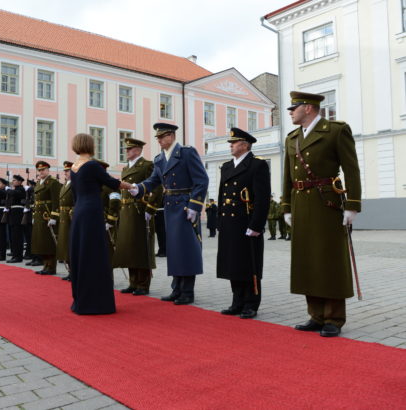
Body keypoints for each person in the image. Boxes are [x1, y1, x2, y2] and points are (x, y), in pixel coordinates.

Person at [283, 91, 361, 337]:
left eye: (293, 108)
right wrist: (286, 207)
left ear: (308, 108)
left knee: (330, 260)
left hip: (326, 203)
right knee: (307, 260)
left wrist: (352, 205)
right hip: (301, 204)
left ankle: (334, 318)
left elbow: (351, 169)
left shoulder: (336, 130)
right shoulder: (292, 137)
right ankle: (315, 315)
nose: (290, 112)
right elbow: (287, 175)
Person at [130, 123, 209, 305]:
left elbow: (202, 180)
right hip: (169, 206)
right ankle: (177, 289)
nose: (158, 140)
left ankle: (187, 291)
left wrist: (195, 205)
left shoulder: (187, 153)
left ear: (171, 136)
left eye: (161, 137)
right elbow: (154, 180)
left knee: (187, 249)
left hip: (184, 205)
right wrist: (139, 188)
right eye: (157, 137)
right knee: (174, 249)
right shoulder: (159, 159)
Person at [69, 133, 132, 314]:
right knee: (94, 255)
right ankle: (96, 302)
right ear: (90, 145)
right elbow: (113, 183)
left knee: (81, 253)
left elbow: (74, 194)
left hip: (79, 211)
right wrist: (133, 186)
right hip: (91, 212)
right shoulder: (92, 165)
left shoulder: (74, 167)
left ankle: (80, 300)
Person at [216, 128, 271, 319]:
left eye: (234, 142)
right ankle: (237, 301)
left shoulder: (257, 165)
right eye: (230, 142)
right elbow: (221, 195)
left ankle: (251, 303)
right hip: (229, 223)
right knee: (233, 263)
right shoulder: (226, 166)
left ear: (245, 145)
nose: (230, 145)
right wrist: (219, 220)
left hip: (246, 222)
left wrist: (256, 225)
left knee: (249, 263)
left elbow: (262, 199)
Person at [113, 138, 161, 296]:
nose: (126, 151)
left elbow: (157, 187)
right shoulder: (125, 168)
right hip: (126, 211)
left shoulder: (147, 165)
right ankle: (133, 282)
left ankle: (143, 284)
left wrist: (151, 208)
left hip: (140, 211)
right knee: (129, 247)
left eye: (129, 149)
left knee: (141, 248)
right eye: (126, 149)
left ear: (138, 150)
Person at [32, 161, 62, 275]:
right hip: (40, 216)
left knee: (49, 242)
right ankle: (45, 265)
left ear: (48, 170)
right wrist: (34, 215)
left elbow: (56, 201)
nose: (41, 172)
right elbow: (36, 201)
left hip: (48, 216)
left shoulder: (53, 182)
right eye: (39, 170)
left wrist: (54, 216)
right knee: (41, 242)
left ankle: (51, 267)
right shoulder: (39, 182)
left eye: (43, 170)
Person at [52, 161, 74, 281]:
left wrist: (72, 212)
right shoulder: (65, 184)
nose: (65, 173)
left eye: (68, 171)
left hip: (71, 218)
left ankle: (74, 271)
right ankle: (70, 271)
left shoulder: (76, 184)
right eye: (65, 171)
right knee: (65, 245)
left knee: (71, 245)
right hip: (63, 218)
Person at [6, 175, 26, 263]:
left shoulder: (21, 189)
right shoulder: (14, 190)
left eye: (14, 180)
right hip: (13, 214)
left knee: (17, 237)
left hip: (18, 215)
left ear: (19, 182)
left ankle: (18, 256)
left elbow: (14, 193)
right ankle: (15, 254)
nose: (13, 182)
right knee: (13, 237)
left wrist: (9, 190)